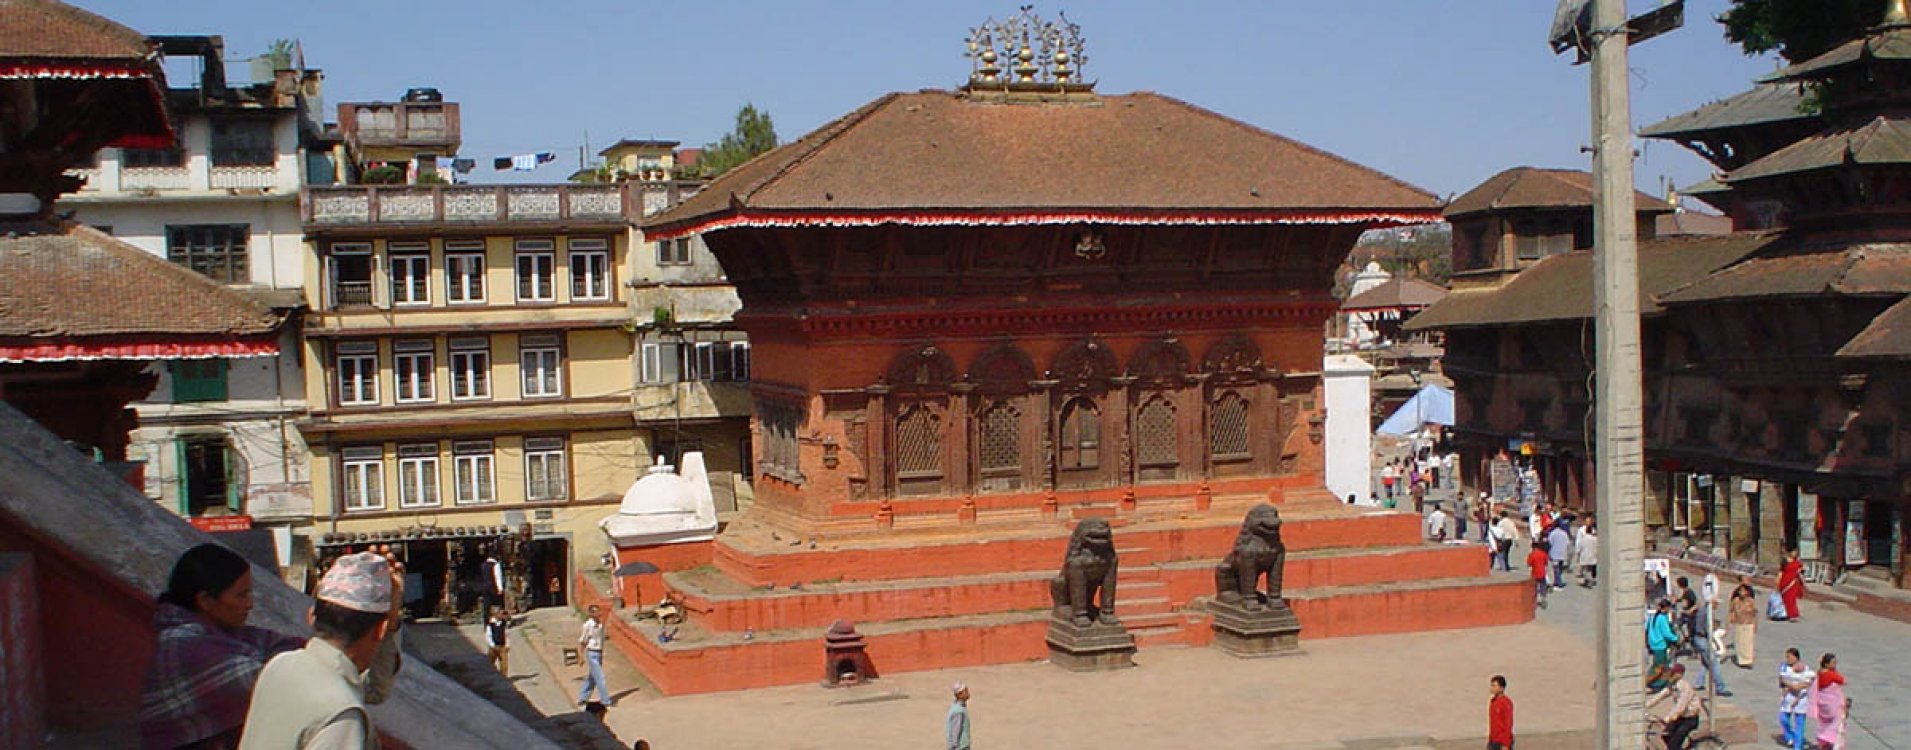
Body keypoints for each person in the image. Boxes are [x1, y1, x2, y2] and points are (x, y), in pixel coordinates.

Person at [139, 544, 306, 750]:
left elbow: (292, 649)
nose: (249, 604)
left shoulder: (233, 635)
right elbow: (269, 681)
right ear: (206, 601)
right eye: (241, 595)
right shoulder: (181, 646)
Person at [239, 551, 404, 750]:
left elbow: (374, 690)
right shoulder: (341, 712)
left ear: (311, 617)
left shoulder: (280, 665)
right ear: (380, 630)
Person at [1646, 663, 1703, 750]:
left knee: (1673, 744)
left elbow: (1680, 706)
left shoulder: (1685, 687)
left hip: (1689, 719)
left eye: (1673, 673)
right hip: (1680, 718)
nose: (1670, 676)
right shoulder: (1673, 685)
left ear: (1680, 674)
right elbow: (1660, 696)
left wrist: (1668, 718)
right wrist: (1645, 706)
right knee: (1665, 735)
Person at [1777, 648, 1814, 750]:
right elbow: (1781, 679)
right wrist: (1790, 686)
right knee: (1783, 718)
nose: (1787, 659)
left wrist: (1798, 689)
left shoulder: (1805, 669)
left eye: (1789, 657)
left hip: (1801, 697)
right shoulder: (1784, 667)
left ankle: (1798, 746)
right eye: (1786, 657)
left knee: (1799, 723)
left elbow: (1808, 682)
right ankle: (1790, 736)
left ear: (1796, 657)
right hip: (1788, 695)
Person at [577, 604, 613, 707]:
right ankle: (606, 701)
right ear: (591, 614)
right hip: (591, 652)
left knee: (592, 677)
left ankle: (583, 697)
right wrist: (581, 655)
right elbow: (583, 641)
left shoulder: (600, 625)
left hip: (599, 652)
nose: (599, 614)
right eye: (596, 612)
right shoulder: (587, 625)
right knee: (600, 677)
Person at [1812, 653, 1847, 750]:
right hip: (1832, 704)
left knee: (1824, 722)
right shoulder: (1830, 674)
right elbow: (1844, 681)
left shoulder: (1820, 673)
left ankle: (1824, 742)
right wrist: (1835, 672)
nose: (1835, 664)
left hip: (1822, 703)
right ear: (1827, 664)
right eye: (1833, 663)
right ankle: (1831, 741)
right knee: (1837, 723)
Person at [1728, 578, 1758, 668]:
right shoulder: (1736, 600)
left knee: (1748, 642)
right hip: (1739, 623)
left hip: (1749, 623)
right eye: (1741, 591)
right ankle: (1741, 660)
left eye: (1744, 591)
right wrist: (1729, 623)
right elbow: (1731, 611)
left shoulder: (1751, 601)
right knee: (1740, 642)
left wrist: (1755, 624)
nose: (1742, 592)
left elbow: (1754, 613)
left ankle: (1748, 660)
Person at [1646, 599, 1680, 671]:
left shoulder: (1652, 617)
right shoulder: (1662, 618)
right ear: (1666, 608)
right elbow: (1666, 633)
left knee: (1658, 664)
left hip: (1653, 644)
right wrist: (1676, 638)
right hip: (1660, 644)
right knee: (1660, 667)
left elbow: (1647, 629)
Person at [1778, 548, 1806, 623]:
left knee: (1792, 599)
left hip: (1794, 582)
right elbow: (1781, 572)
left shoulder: (1797, 562)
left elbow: (1802, 570)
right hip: (1785, 582)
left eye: (1796, 552)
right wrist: (1777, 581)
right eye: (1794, 551)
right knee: (1787, 599)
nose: (1795, 553)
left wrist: (1801, 571)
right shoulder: (1784, 561)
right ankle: (1789, 614)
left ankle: (1794, 614)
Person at [1487, 674, 1514, 750]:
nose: (1492, 688)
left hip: (1502, 741)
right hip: (1493, 740)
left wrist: (1506, 744)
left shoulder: (1506, 703)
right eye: (1491, 686)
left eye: (1494, 686)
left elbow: (1508, 724)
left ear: (1501, 688)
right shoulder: (1493, 701)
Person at [946, 682, 972, 750]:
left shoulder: (958, 707)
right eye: (965, 691)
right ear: (959, 694)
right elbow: (955, 730)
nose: (968, 693)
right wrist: (954, 746)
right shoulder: (958, 711)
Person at [1546, 522, 1571, 590]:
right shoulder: (1564, 534)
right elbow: (1568, 543)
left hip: (1554, 554)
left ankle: (1558, 582)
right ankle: (1557, 581)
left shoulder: (1553, 533)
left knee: (1556, 568)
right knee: (1560, 568)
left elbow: (1549, 542)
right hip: (1563, 554)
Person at [1573, 520, 1598, 588]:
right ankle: (1589, 580)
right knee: (1590, 569)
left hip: (1585, 555)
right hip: (1593, 555)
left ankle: (1589, 580)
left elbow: (1579, 547)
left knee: (1585, 570)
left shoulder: (1583, 539)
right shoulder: (1595, 538)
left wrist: (1577, 554)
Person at [485, 608, 510, 675]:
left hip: (502, 646)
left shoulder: (504, 623)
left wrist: (507, 644)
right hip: (494, 647)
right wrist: (492, 645)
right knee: (490, 662)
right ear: (495, 615)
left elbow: (506, 633)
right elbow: (488, 635)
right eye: (500, 614)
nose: (502, 615)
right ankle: (489, 675)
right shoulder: (491, 624)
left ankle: (504, 677)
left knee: (504, 664)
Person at [1526, 541, 1550, 610]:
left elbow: (1529, 564)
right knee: (1543, 586)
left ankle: (1535, 600)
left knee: (1534, 587)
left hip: (1535, 573)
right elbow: (1546, 563)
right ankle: (1543, 598)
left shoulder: (1532, 554)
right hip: (1542, 573)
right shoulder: (1543, 553)